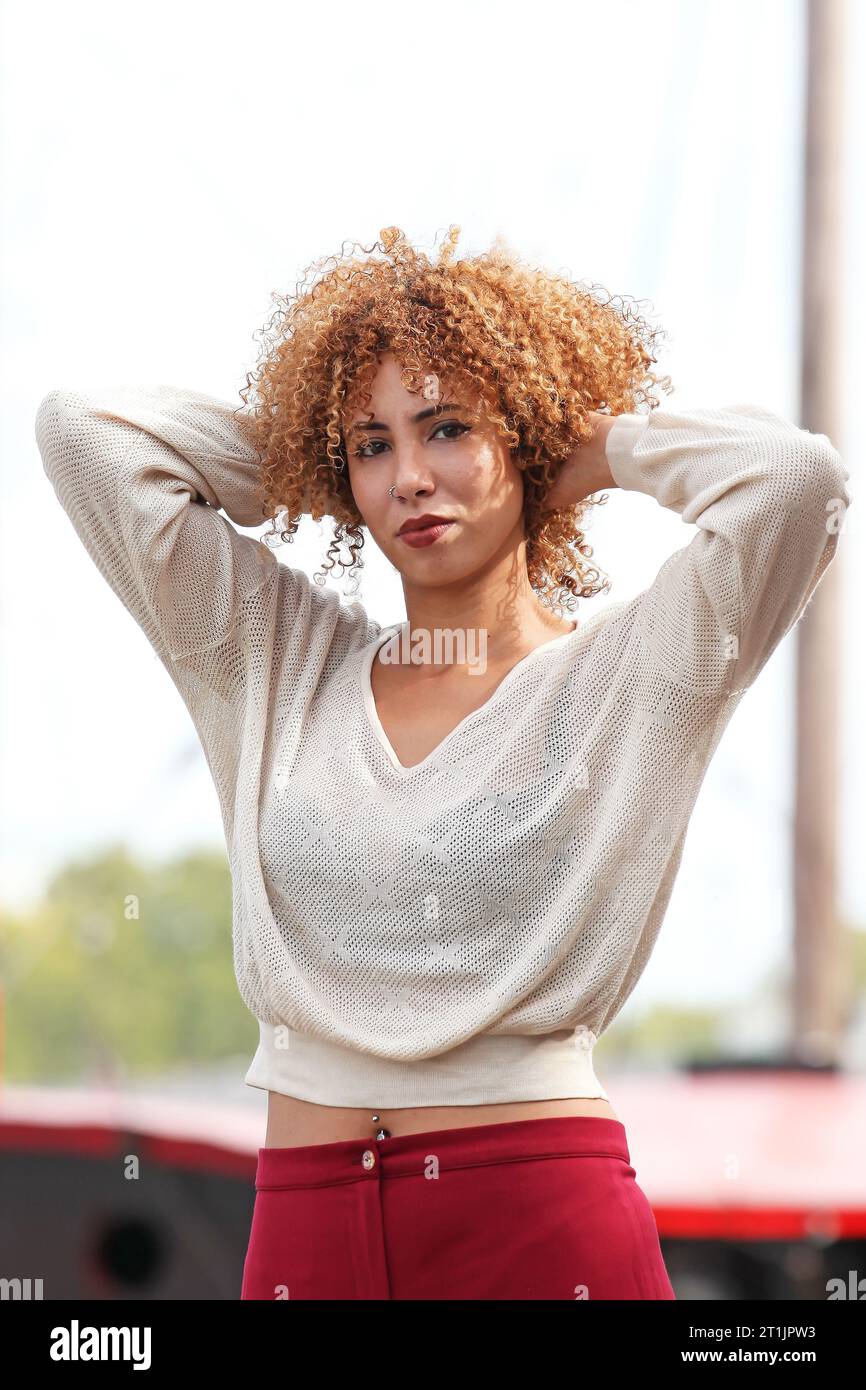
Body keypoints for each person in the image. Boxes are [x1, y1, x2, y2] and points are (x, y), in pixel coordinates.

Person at [36, 225, 850, 1300]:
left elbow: (792, 480)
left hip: (538, 1219)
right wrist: (315, 470)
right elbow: (85, 435)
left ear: (526, 437)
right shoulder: (271, 657)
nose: (410, 477)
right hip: (305, 1220)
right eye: (372, 444)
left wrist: (597, 448)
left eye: (448, 428)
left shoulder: (637, 675)